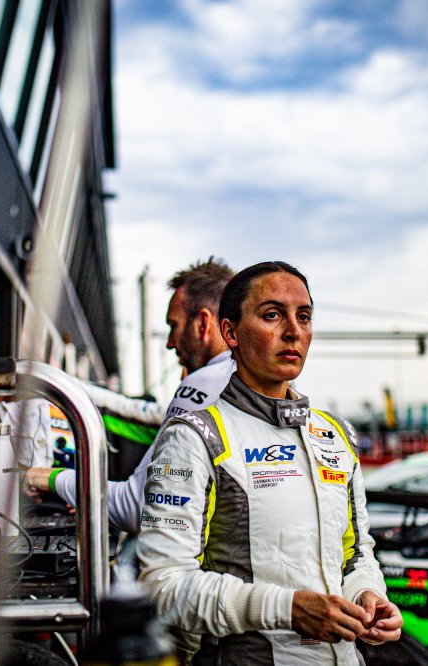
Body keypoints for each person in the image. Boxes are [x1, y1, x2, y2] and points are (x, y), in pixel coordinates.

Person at [137, 261, 403, 664]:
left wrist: (368, 595)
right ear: (231, 333)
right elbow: (162, 587)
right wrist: (288, 609)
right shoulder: (193, 437)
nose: (294, 331)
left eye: (304, 317)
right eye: (273, 315)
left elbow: (356, 555)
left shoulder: (336, 435)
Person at [23, 258, 236, 534]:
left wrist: (49, 478)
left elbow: (139, 508)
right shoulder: (242, 380)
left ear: (203, 323)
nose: (170, 343)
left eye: (173, 326)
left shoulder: (207, 383)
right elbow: (137, 414)